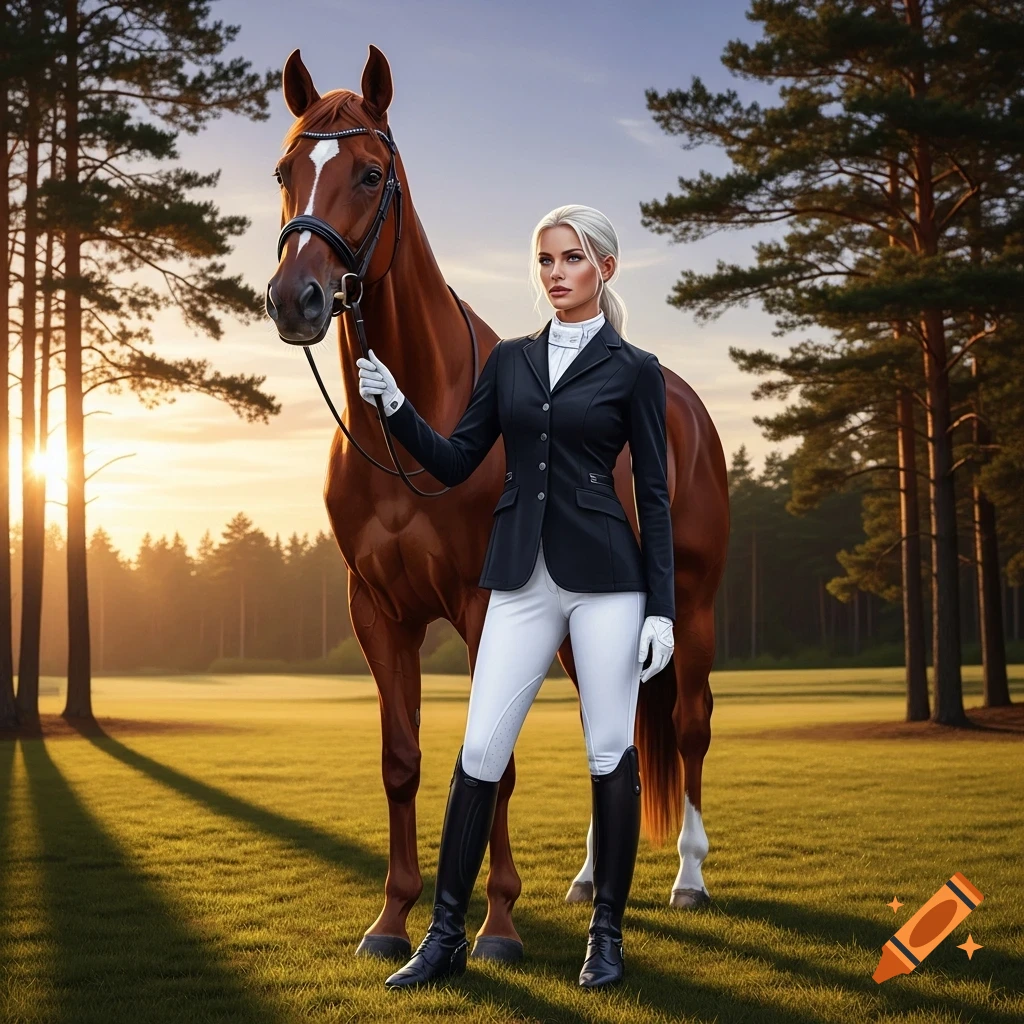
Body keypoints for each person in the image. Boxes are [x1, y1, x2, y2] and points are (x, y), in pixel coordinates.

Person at [356, 204, 675, 990]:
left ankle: (606, 938)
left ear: (604, 267)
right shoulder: (510, 364)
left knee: (610, 753)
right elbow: (459, 460)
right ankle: (444, 937)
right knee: (479, 754)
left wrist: (661, 608)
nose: (556, 274)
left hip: (608, 585)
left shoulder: (636, 368)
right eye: (544, 261)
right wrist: (396, 406)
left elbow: (657, 498)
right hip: (519, 583)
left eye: (571, 259)